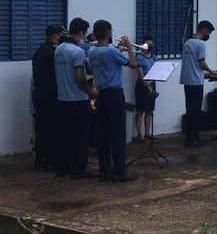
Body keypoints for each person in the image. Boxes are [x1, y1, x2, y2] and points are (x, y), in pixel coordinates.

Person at [88, 20, 139, 182]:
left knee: (103, 135)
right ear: (109, 33)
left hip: (101, 94)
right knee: (118, 135)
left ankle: (105, 171)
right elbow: (132, 64)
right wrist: (129, 48)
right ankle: (120, 172)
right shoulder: (110, 51)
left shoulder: (91, 51)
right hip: (115, 94)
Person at [54, 17, 98, 179]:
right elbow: (79, 77)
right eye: (84, 34)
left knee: (64, 134)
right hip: (77, 99)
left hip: (62, 98)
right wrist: (89, 92)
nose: (84, 38)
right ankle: (78, 170)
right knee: (81, 136)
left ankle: (63, 167)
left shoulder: (58, 49)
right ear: (80, 33)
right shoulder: (77, 52)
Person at [31, 24, 64, 171]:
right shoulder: (53, 52)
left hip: (39, 93)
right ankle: (50, 161)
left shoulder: (40, 51)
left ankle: (40, 159)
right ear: (55, 36)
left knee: (41, 128)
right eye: (60, 35)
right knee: (51, 128)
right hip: (50, 94)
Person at [180, 20, 217, 147]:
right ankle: (193, 139)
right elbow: (201, 63)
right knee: (195, 112)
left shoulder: (187, 42)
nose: (208, 35)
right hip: (196, 82)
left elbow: (193, 64)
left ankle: (190, 138)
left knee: (190, 110)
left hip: (187, 81)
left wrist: (205, 73)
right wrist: (211, 71)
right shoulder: (200, 44)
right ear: (204, 30)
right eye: (209, 33)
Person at [133, 36, 158, 142]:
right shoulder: (139, 57)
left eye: (151, 45)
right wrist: (146, 84)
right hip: (142, 84)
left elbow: (157, 71)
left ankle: (148, 133)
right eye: (148, 45)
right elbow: (140, 74)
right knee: (140, 110)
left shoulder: (154, 57)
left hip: (152, 83)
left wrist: (150, 84)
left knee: (149, 110)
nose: (150, 47)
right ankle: (140, 135)